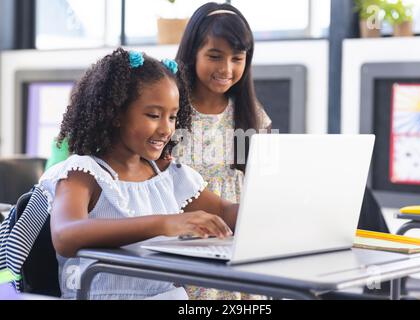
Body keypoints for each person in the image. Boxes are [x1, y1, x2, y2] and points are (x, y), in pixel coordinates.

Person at [38, 48, 237, 300]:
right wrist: (164, 223)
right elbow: (66, 235)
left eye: (173, 116)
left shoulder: (168, 174)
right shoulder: (83, 173)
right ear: (116, 114)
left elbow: (225, 212)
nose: (166, 129)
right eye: (154, 115)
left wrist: (277, 211)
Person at [174, 2, 271, 300]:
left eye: (237, 58)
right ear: (193, 53)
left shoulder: (249, 112)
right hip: (185, 237)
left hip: (237, 237)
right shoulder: (171, 106)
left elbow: (264, 175)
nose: (226, 69)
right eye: (214, 56)